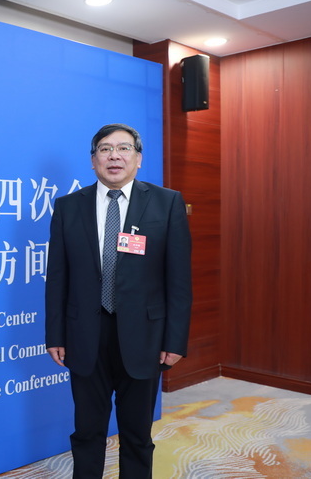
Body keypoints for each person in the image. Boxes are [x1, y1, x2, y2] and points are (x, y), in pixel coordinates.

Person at [45, 123, 192, 478]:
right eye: (105, 149)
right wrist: (55, 335)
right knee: (87, 431)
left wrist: (175, 340)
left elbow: (178, 280)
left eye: (124, 148)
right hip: (85, 335)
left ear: (138, 159)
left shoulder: (166, 203)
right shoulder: (68, 207)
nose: (114, 156)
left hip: (144, 336)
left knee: (137, 434)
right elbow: (58, 277)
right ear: (93, 160)